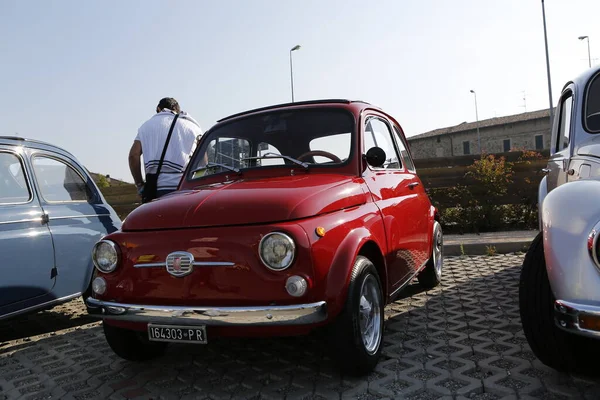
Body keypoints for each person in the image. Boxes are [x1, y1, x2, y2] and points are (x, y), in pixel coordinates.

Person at [129, 97, 203, 199]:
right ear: (177, 109)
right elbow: (204, 160)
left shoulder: (145, 127)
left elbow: (133, 155)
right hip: (185, 188)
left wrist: (140, 184)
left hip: (156, 190)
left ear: (158, 109)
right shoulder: (192, 126)